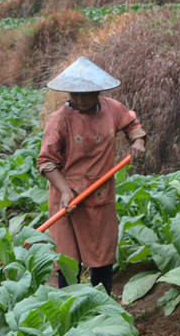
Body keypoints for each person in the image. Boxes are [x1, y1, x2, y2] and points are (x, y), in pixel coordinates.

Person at [37, 57, 147, 295]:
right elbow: (46, 161)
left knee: (102, 257)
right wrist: (65, 191)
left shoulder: (112, 109)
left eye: (86, 95)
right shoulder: (59, 120)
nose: (79, 100)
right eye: (74, 95)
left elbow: (132, 125)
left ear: (98, 91)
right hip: (67, 199)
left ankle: (102, 308)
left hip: (100, 195)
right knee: (68, 260)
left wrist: (138, 141)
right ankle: (70, 311)